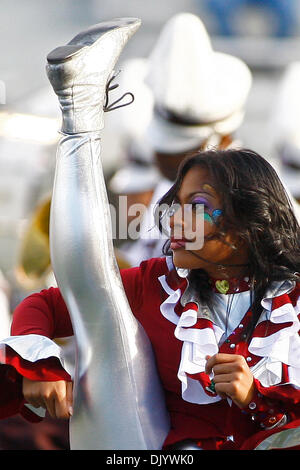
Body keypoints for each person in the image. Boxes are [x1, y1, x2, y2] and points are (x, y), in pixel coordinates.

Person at [0, 147, 300, 450]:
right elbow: (44, 305)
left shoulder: (294, 303)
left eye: (196, 207)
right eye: (176, 205)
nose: (175, 222)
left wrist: (254, 400)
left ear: (248, 222)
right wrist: (38, 367)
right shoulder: (157, 283)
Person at [109, 12, 252, 267]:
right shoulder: (173, 186)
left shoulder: (251, 197)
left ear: (223, 140)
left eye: (186, 149)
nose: (160, 155)